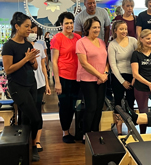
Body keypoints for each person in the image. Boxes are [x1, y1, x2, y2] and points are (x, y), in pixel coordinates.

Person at [2, 12, 41, 161]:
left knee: (26, 118)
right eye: (26, 27)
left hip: (31, 84)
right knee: (35, 118)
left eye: (30, 27)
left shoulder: (28, 44)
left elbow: (36, 67)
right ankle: (32, 146)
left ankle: (26, 148)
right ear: (17, 27)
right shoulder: (8, 46)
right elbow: (8, 69)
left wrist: (32, 60)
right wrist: (26, 59)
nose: (29, 30)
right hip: (17, 86)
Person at [76, 16, 109, 143]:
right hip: (87, 80)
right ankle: (86, 134)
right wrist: (99, 75)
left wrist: (105, 73)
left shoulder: (101, 42)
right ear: (87, 28)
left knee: (99, 106)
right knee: (91, 107)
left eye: (99, 27)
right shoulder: (81, 42)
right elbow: (84, 63)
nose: (97, 29)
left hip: (102, 79)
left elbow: (106, 60)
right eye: (94, 27)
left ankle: (95, 132)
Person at [51, 12, 81, 143]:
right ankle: (65, 132)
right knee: (65, 105)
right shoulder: (57, 38)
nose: (69, 25)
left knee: (73, 105)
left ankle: (72, 129)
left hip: (76, 77)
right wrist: (57, 82)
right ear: (61, 24)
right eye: (66, 23)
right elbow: (53, 61)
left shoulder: (78, 37)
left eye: (71, 22)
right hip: (62, 76)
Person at [108, 20, 137, 135]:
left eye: (125, 29)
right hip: (118, 77)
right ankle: (119, 131)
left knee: (130, 102)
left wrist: (134, 78)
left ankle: (131, 129)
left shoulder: (133, 41)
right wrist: (122, 81)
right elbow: (113, 65)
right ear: (115, 31)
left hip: (132, 75)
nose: (124, 31)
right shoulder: (112, 45)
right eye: (121, 29)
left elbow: (138, 58)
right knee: (118, 103)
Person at [27, 25, 51, 152]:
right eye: (31, 31)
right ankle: (27, 140)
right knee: (27, 113)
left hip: (40, 84)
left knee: (37, 112)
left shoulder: (40, 46)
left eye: (35, 32)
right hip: (26, 85)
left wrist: (47, 84)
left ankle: (37, 140)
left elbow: (43, 67)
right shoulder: (21, 46)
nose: (33, 34)